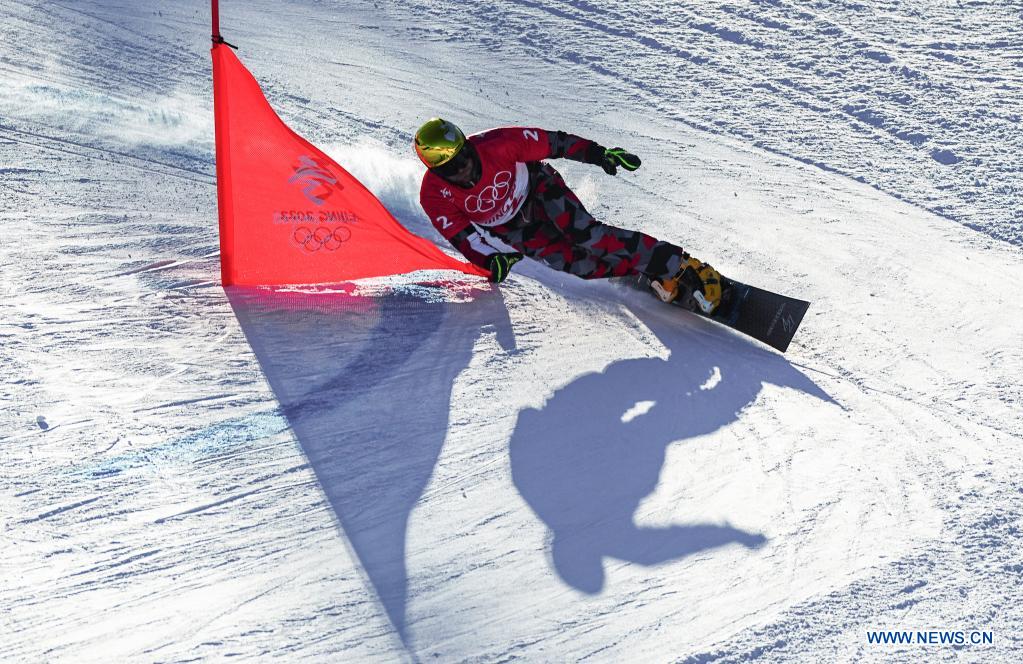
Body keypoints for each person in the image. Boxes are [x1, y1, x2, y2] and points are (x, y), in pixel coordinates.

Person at [414, 118, 722, 312]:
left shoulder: (498, 144)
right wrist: (490, 259)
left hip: (537, 189)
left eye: (465, 155)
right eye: (453, 167)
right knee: (578, 265)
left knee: (585, 234)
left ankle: (679, 265)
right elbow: (462, 236)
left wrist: (599, 154)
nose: (465, 167)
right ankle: (646, 270)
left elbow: (555, 143)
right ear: (437, 172)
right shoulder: (433, 196)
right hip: (512, 228)